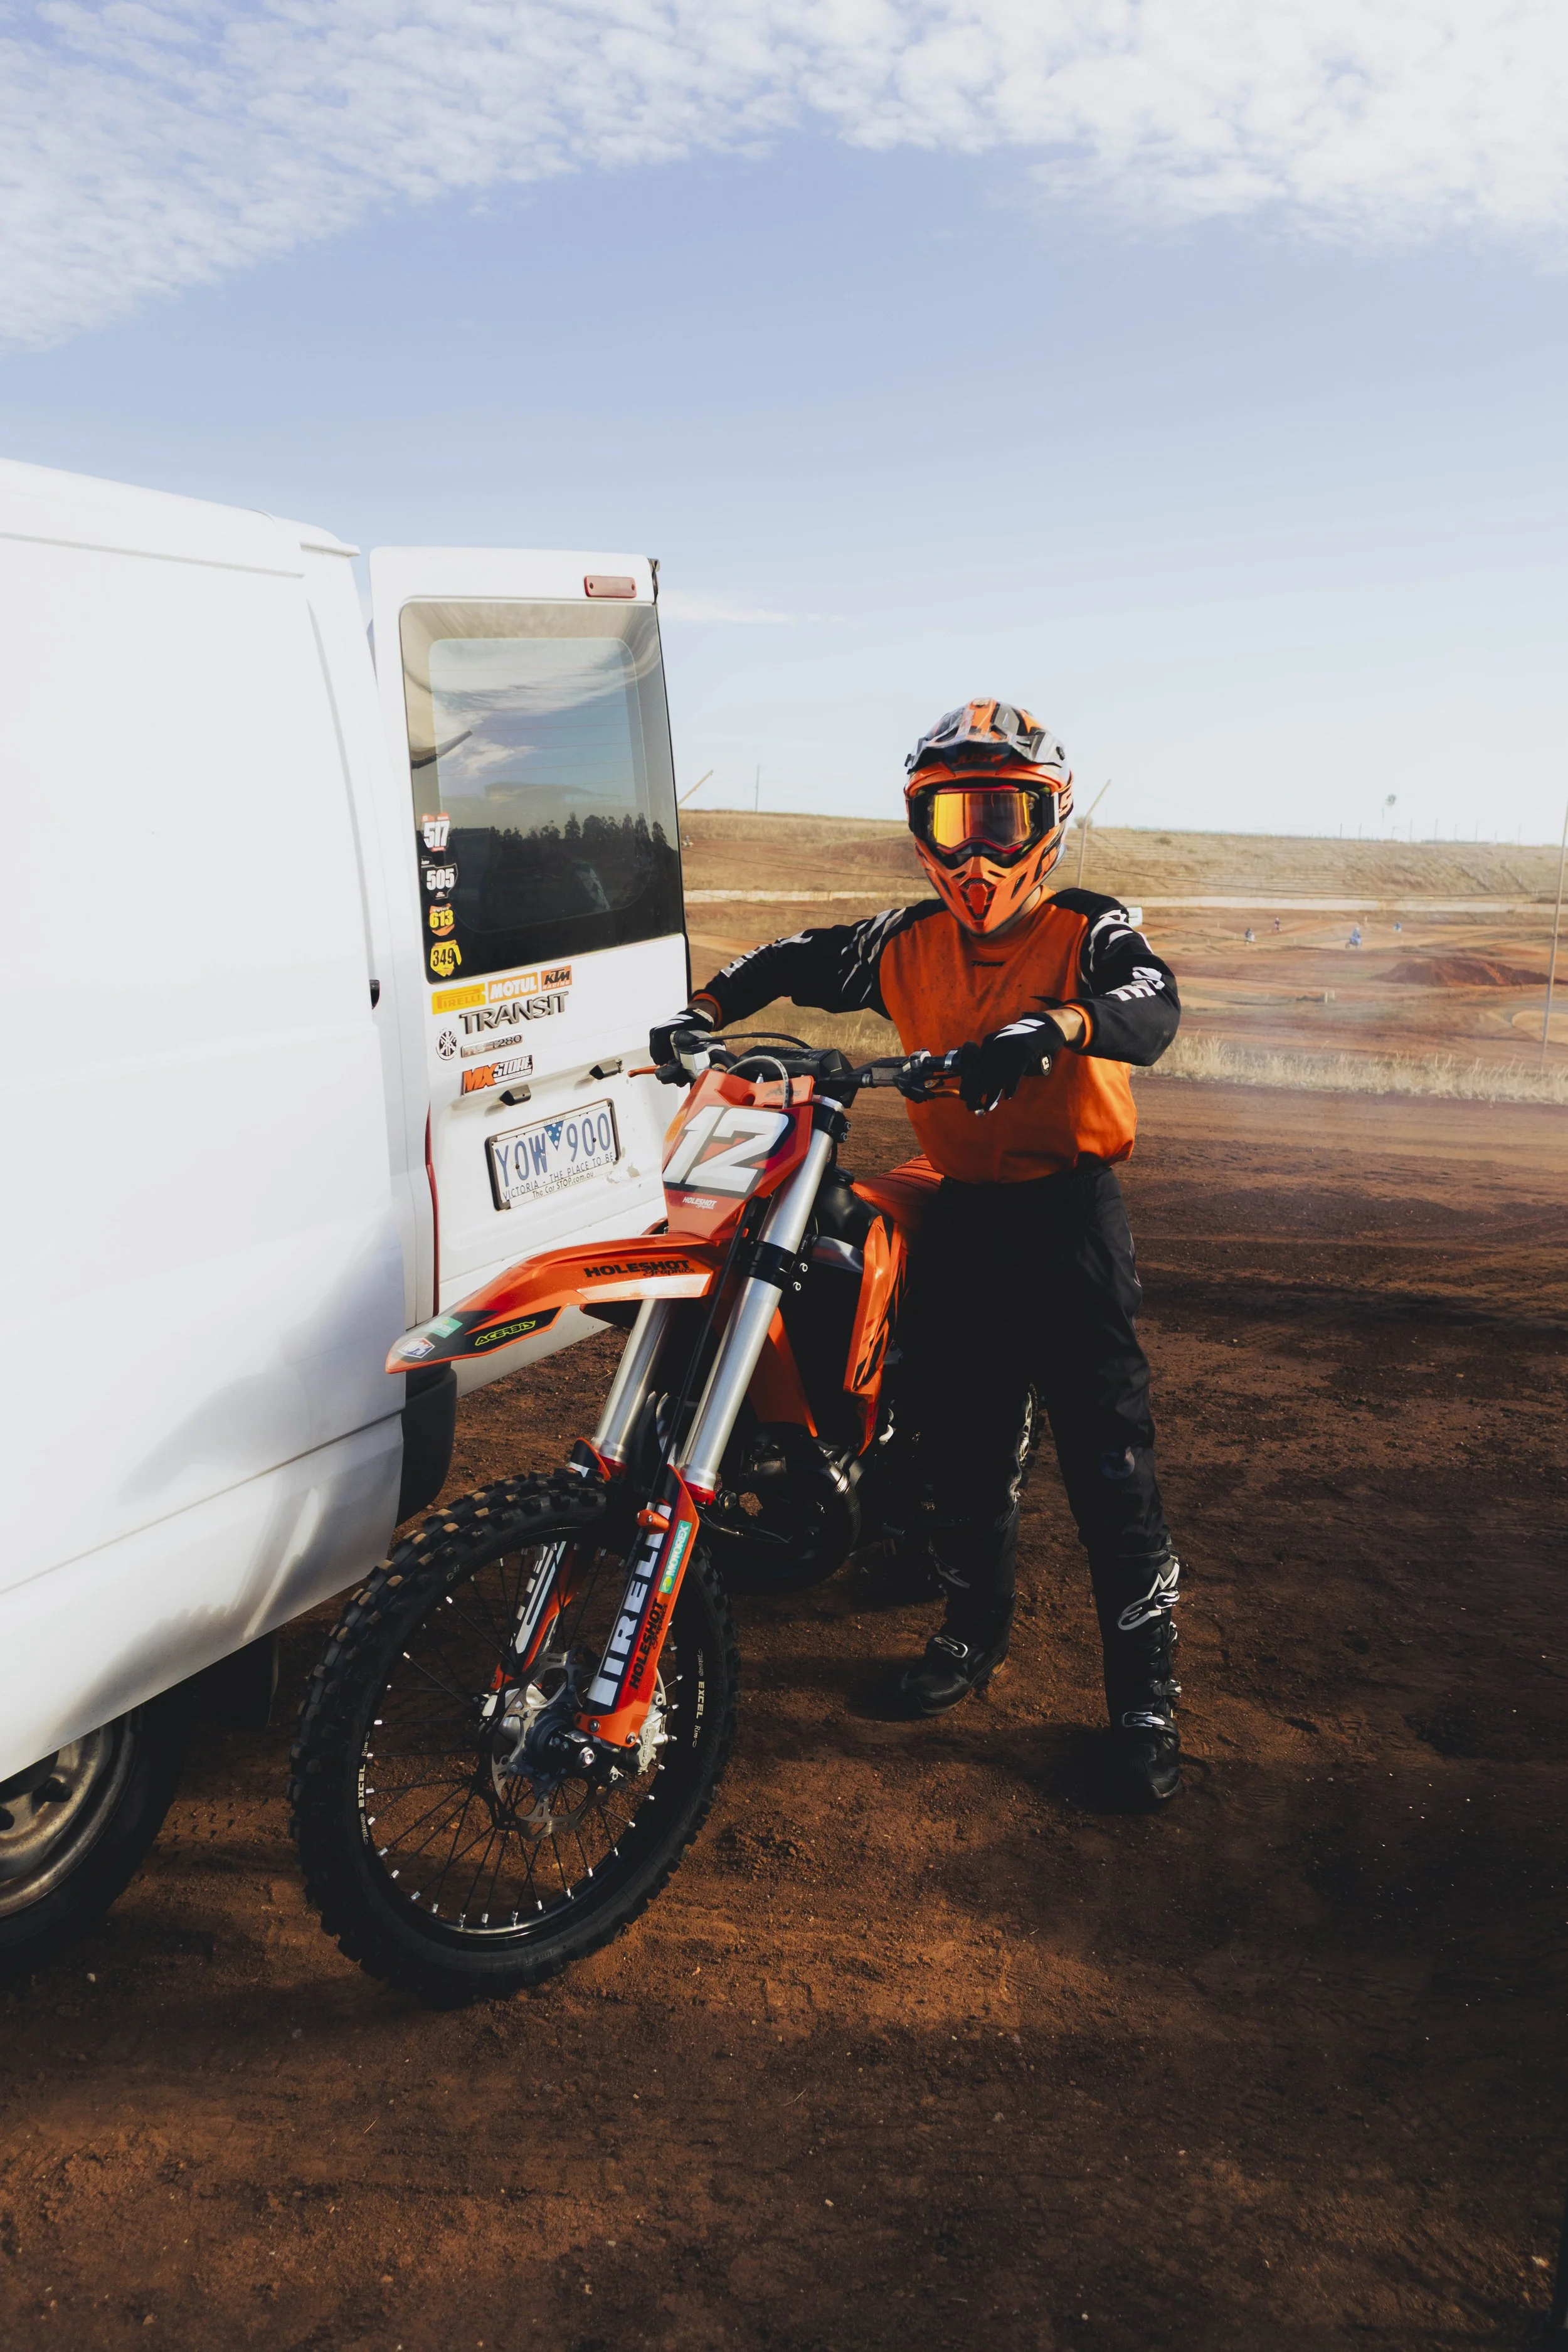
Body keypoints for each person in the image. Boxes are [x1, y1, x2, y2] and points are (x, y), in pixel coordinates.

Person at [650, 700, 1185, 1808]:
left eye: (1004, 817)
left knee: (1109, 1469)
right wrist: (699, 1006)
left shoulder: (1088, 929)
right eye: (953, 819)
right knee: (965, 1453)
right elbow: (795, 958)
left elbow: (1154, 1001)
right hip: (966, 1226)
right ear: (921, 829)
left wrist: (1064, 1025)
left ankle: (1144, 1704)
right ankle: (966, 1638)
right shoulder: (906, 943)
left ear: (1050, 818)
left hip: (1071, 1224)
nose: (978, 850)